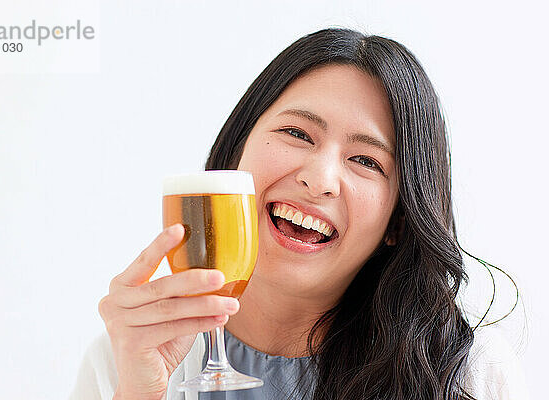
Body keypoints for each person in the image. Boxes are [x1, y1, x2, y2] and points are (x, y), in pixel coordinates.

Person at [70, 28, 529, 400]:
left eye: (367, 161)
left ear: (399, 222)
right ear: (234, 157)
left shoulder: (466, 373)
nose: (320, 177)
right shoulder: (129, 355)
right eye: (297, 133)